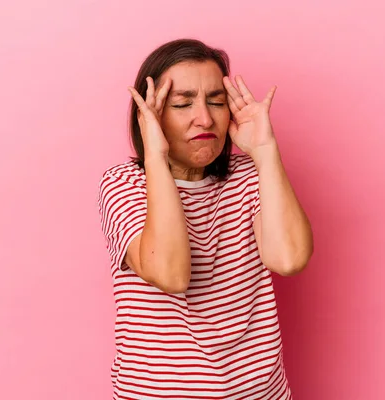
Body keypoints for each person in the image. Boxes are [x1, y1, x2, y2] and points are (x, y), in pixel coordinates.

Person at [98, 38, 313, 400]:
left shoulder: (250, 175)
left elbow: (289, 259)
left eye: (216, 101)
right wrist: (155, 156)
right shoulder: (124, 184)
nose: (206, 118)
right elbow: (171, 273)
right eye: (182, 103)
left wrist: (265, 151)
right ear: (151, 116)